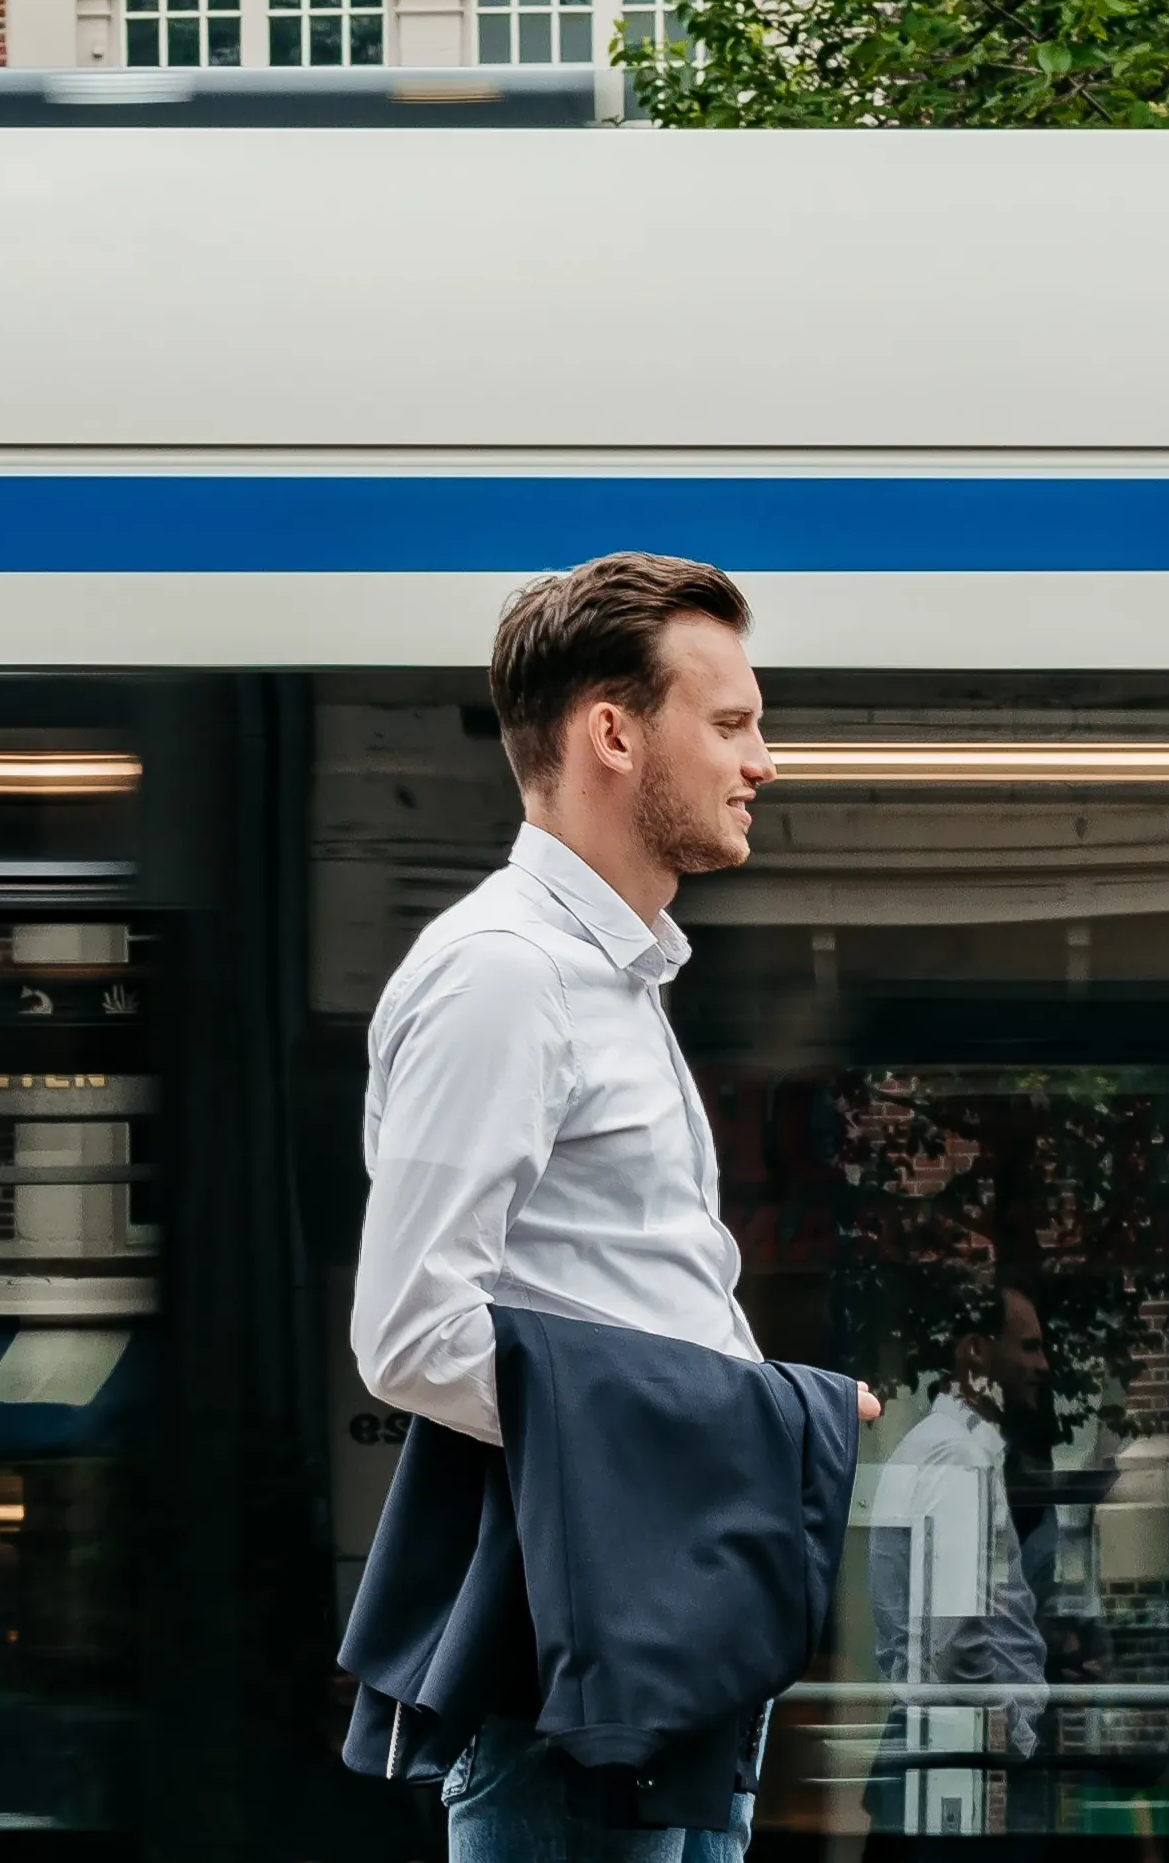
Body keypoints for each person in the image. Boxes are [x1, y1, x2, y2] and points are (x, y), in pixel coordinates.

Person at [349, 551, 879, 1863]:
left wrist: (749, 1423)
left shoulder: (605, 979)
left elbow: (607, 1300)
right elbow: (410, 1328)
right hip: (575, 1665)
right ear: (611, 731)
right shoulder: (505, 977)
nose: (762, 758)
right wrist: (726, 1430)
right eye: (733, 720)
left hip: (648, 1641)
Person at [868, 1282, 1056, 1831]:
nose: (1043, 1364)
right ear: (976, 1352)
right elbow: (954, 1641)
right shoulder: (955, 1454)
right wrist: (1002, 1735)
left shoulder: (943, 1446)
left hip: (946, 1751)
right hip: (961, 1761)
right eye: (1028, 1346)